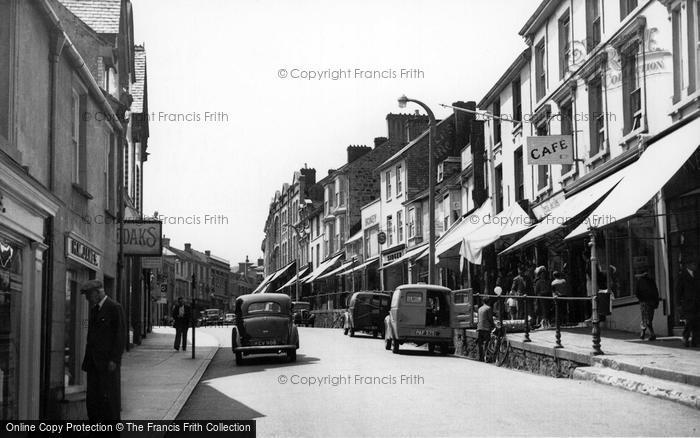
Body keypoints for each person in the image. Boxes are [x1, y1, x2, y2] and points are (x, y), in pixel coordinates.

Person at [80, 280, 125, 422]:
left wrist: (114, 359)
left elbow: (120, 335)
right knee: (93, 399)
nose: (87, 298)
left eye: (89, 295)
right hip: (93, 362)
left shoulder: (114, 308)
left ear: (98, 293)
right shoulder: (95, 310)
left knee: (109, 398)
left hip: (107, 363)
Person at [675, 260, 700, 348]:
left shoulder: (696, 275)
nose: (695, 266)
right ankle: (685, 338)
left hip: (697, 303)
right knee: (689, 322)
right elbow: (678, 291)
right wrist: (678, 304)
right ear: (689, 265)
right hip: (688, 303)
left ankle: (695, 341)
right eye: (694, 264)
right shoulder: (682, 276)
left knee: (697, 322)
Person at [635, 267, 660, 341]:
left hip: (644, 302)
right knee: (649, 318)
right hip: (651, 302)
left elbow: (637, 293)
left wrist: (641, 300)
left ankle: (644, 333)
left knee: (645, 317)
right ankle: (649, 333)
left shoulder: (639, 281)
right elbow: (656, 292)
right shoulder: (651, 281)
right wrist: (656, 302)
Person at [477, 297, 495, 362]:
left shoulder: (479, 309)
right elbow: (490, 318)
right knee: (487, 343)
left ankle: (480, 357)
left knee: (480, 343)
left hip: (479, 327)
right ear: (489, 302)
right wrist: (493, 325)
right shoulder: (488, 308)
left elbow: (479, 319)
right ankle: (486, 357)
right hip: (486, 328)